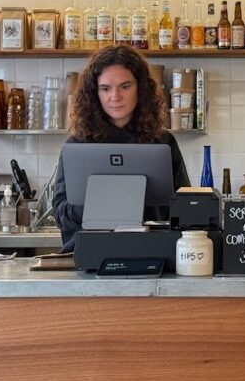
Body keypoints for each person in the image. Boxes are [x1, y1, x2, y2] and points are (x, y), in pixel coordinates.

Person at [52, 45, 190, 252]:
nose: (115, 96)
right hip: (90, 254)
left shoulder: (163, 142)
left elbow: (185, 207)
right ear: (94, 92)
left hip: (150, 252)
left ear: (140, 89)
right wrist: (95, 206)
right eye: (105, 88)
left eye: (125, 86)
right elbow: (61, 214)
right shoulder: (77, 145)